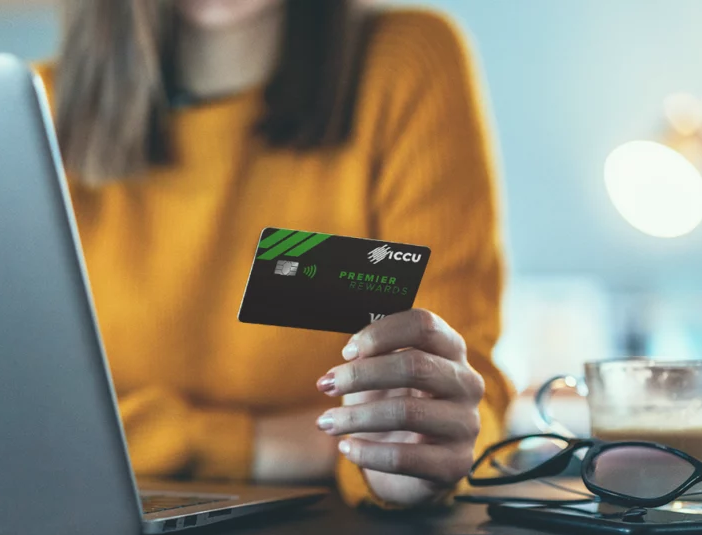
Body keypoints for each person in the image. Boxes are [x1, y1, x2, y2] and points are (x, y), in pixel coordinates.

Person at [35, 0, 511, 508]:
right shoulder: (32, 111)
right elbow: (15, 426)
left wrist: (410, 458)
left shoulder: (405, 63)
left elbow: (460, 389)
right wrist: (260, 445)